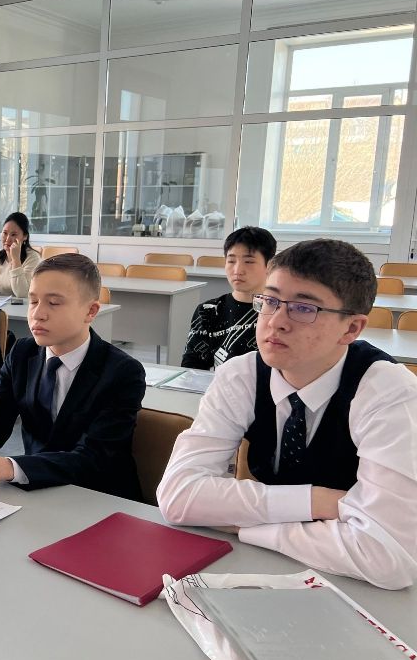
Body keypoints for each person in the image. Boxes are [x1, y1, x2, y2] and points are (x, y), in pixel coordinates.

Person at [158, 239, 417, 589]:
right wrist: (318, 502)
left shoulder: (388, 393)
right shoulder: (241, 375)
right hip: (272, 570)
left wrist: (244, 527)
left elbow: (389, 558)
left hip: (357, 589)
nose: (276, 322)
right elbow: (178, 497)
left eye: (304, 309)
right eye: (270, 301)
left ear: (351, 329)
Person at [0, 254, 146, 499]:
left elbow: (94, 457)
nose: (38, 314)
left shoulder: (123, 372)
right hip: (39, 492)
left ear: (90, 311)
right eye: (33, 301)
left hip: (99, 498)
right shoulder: (22, 353)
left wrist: (7, 467)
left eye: (53, 303)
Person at [181, 226, 276, 370]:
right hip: (219, 383)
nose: (237, 270)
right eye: (231, 261)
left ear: (269, 265)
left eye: (249, 262)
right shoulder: (208, 311)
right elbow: (192, 366)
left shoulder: (279, 311)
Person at [0, 212, 41, 298]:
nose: (7, 239)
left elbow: (23, 294)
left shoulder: (33, 258)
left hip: (21, 306)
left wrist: (15, 260)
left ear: (25, 236)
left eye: (13, 234)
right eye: (5, 233)